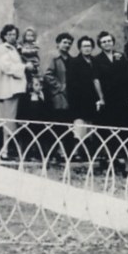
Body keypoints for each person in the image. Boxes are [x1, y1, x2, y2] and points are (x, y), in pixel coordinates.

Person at [0, 24, 34, 161]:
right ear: (4, 36)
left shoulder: (15, 49)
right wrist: (25, 67)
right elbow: (6, 66)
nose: (12, 36)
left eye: (14, 34)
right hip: (9, 88)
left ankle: (13, 150)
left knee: (13, 120)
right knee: (9, 120)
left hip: (17, 88)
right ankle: (5, 151)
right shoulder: (2, 49)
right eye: (9, 34)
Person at [66, 36, 105, 159]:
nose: (87, 49)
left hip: (92, 99)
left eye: (89, 46)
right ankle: (76, 152)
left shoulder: (95, 61)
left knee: (89, 125)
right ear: (80, 48)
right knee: (79, 125)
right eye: (84, 46)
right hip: (79, 99)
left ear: (92, 47)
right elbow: (71, 83)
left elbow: (98, 79)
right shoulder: (74, 62)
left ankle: (86, 153)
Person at [43, 32, 74, 160]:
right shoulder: (53, 57)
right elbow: (47, 74)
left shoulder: (71, 59)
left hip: (69, 96)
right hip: (57, 96)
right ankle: (55, 152)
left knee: (66, 123)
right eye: (64, 42)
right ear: (58, 44)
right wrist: (59, 87)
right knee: (57, 122)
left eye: (69, 43)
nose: (67, 45)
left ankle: (64, 151)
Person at [92, 31, 123, 127]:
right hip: (106, 96)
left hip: (121, 96)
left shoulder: (121, 56)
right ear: (100, 45)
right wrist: (101, 98)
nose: (107, 43)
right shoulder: (96, 59)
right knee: (107, 123)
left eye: (109, 41)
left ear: (113, 42)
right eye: (104, 42)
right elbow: (96, 79)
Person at [19, 27, 44, 103]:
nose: (30, 37)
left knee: (34, 80)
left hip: (34, 63)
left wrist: (24, 51)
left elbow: (34, 51)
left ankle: (36, 93)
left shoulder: (35, 45)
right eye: (28, 35)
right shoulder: (22, 44)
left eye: (31, 35)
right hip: (25, 65)